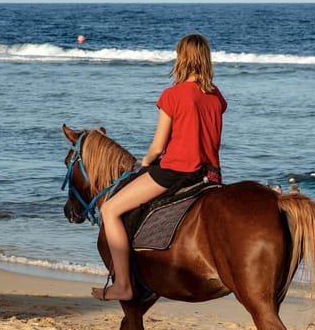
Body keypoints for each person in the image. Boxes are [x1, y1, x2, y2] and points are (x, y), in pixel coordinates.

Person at [92, 33, 227, 301]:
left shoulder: (172, 95)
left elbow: (158, 146)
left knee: (110, 209)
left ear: (183, 59)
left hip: (176, 172)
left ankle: (123, 285)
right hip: (210, 175)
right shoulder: (216, 97)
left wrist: (147, 160)